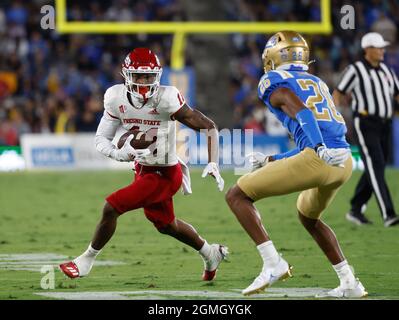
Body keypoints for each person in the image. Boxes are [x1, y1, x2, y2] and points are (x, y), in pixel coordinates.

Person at [59, 48, 228, 281]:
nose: (144, 82)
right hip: (143, 170)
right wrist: (121, 155)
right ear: (127, 75)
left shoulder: (167, 98)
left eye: (149, 76)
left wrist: (213, 162)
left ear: (157, 76)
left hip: (166, 173)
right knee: (167, 225)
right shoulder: (115, 97)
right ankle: (211, 253)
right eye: (139, 76)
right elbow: (101, 139)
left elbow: (208, 126)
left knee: (111, 207)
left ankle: (86, 260)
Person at [225, 31, 367, 298]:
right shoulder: (317, 81)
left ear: (274, 58)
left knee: (237, 195)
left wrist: (318, 148)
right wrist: (274, 159)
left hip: (320, 158)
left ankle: (273, 263)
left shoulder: (272, 80)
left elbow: (301, 113)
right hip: (343, 161)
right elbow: (323, 130)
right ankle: (349, 282)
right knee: (308, 216)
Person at [333, 32, 399, 227]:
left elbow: (397, 94)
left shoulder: (387, 71)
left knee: (376, 166)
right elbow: (338, 92)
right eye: (378, 47)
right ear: (367, 50)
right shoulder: (356, 69)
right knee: (375, 163)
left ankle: (356, 208)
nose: (382, 51)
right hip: (366, 122)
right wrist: (336, 116)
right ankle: (389, 214)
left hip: (385, 124)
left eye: (382, 47)